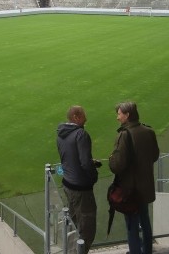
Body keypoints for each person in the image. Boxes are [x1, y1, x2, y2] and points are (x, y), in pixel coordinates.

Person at [108, 101, 160, 254]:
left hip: (131, 190)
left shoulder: (124, 135)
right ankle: (147, 251)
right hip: (146, 186)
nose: (117, 117)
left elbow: (116, 165)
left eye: (119, 114)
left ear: (127, 115)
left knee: (131, 225)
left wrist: (111, 158)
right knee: (145, 221)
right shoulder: (149, 131)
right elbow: (155, 156)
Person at [56, 105, 100, 253]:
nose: (86, 117)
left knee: (73, 225)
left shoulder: (61, 134)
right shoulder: (81, 134)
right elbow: (85, 163)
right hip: (81, 189)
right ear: (76, 117)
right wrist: (94, 176)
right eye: (83, 115)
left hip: (67, 185)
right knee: (87, 229)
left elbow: (68, 159)